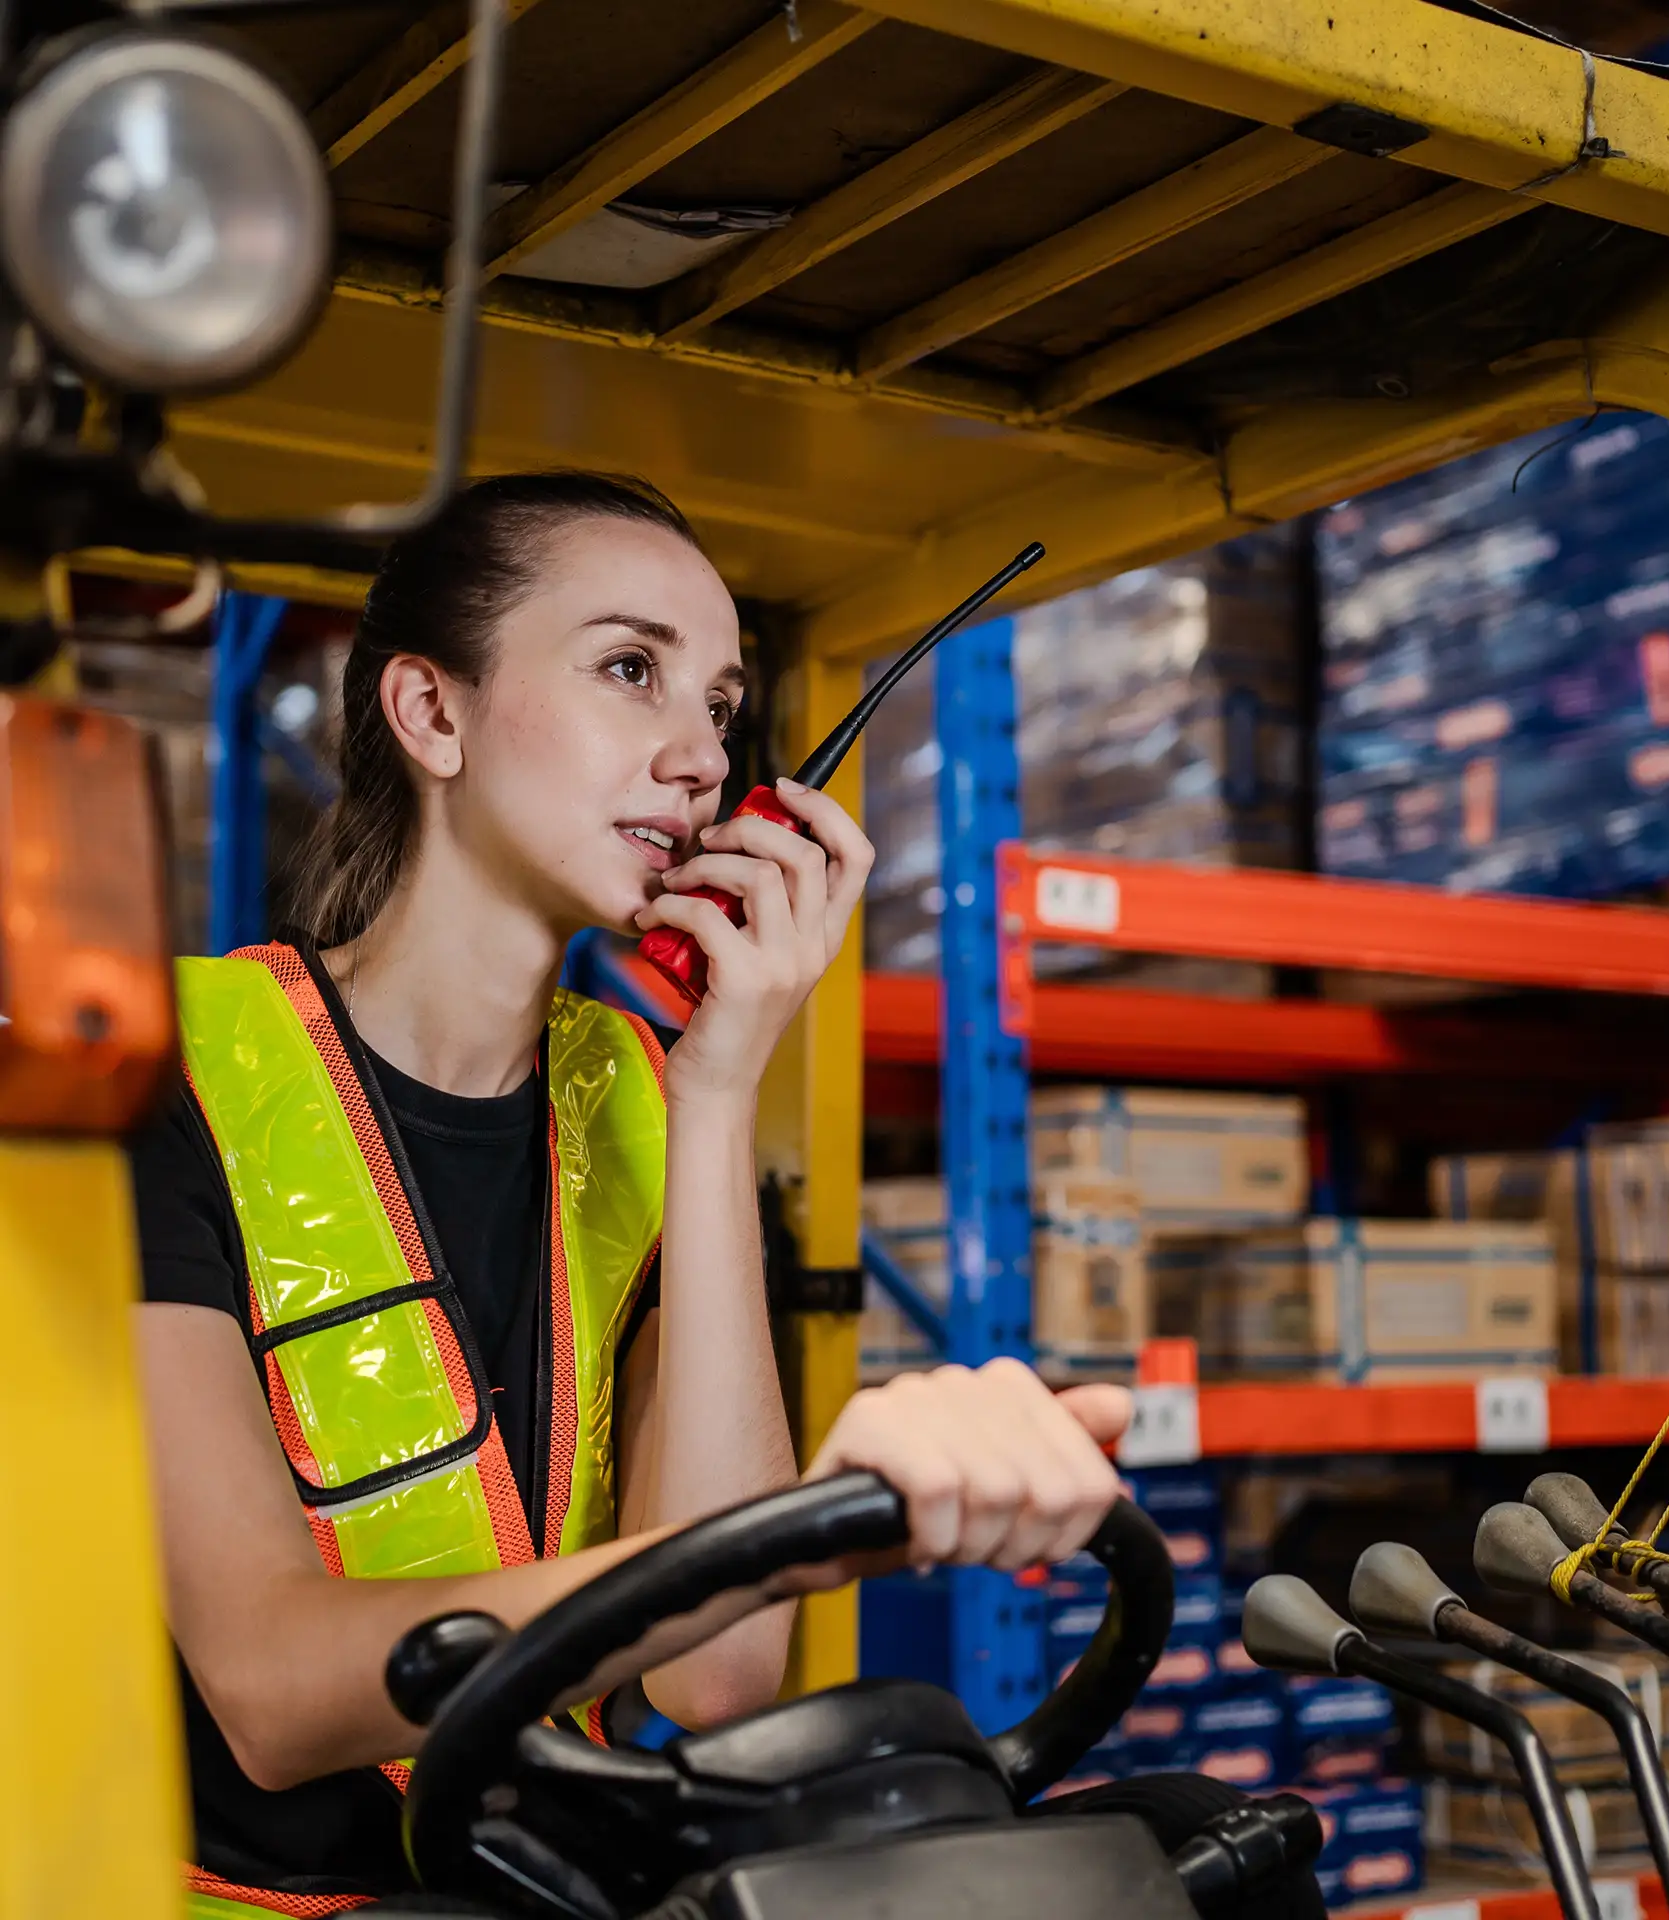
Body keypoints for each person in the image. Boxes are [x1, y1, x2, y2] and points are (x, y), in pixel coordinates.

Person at [132, 472, 1132, 1916]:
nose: (696, 758)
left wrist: (720, 1086)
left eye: (720, 707)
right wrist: (825, 1520)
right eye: (629, 670)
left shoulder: (645, 1102)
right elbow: (275, 1691)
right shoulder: (174, 1077)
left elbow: (716, 1673)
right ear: (433, 716)